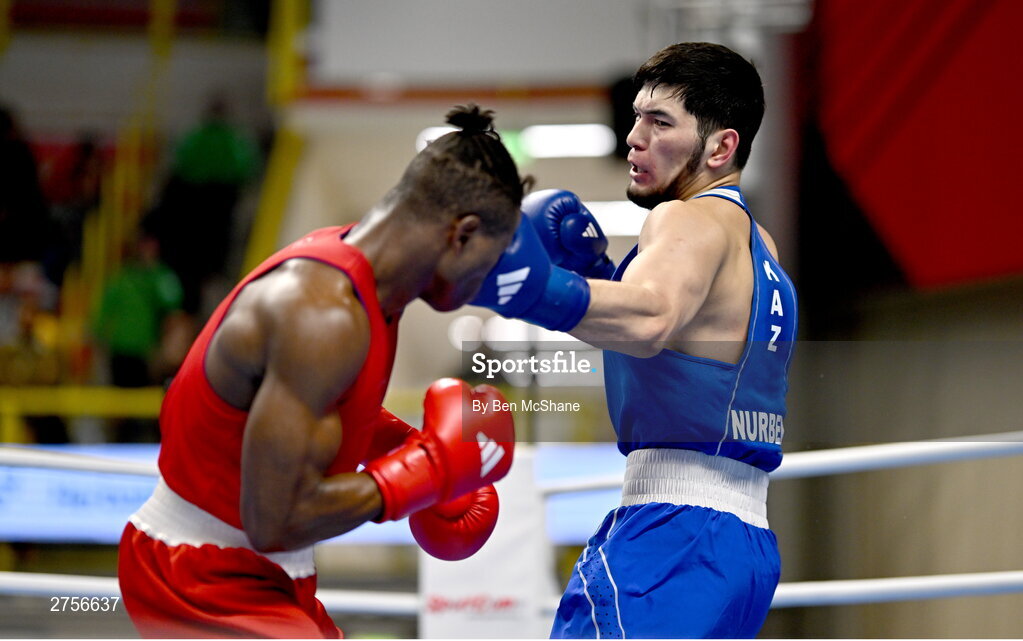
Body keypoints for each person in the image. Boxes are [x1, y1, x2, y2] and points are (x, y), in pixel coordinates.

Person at [117, 105, 522, 638]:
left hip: (263, 572)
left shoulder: (371, 287)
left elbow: (327, 405)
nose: (484, 285)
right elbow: (275, 520)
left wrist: (406, 443)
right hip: (198, 573)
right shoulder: (322, 315)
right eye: (490, 261)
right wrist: (429, 471)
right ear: (462, 235)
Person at [471, 43, 797, 638]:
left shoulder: (684, 219)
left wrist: (529, 287)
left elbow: (650, 321)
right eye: (637, 117)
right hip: (741, 543)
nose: (634, 137)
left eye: (661, 122)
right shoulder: (760, 247)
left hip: (671, 536)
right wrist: (594, 280)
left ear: (722, 147)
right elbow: (684, 354)